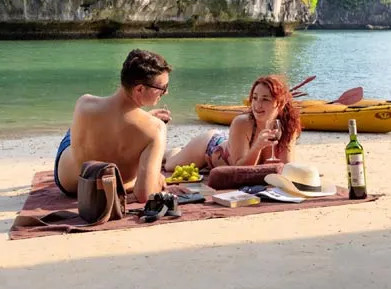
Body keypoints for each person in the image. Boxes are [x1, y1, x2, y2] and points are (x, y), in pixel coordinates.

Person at [53, 49, 174, 203]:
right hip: (111, 185)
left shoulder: (84, 103)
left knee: (81, 129)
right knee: (141, 136)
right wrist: (156, 179)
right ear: (140, 89)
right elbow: (145, 195)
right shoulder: (156, 129)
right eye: (163, 88)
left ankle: (135, 119)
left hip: (69, 183)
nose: (166, 92)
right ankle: (138, 120)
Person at [165, 75, 301, 170]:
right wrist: (258, 146)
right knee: (169, 165)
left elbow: (286, 166)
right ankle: (171, 152)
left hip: (232, 142)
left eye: (265, 99)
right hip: (210, 145)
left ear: (280, 104)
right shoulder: (242, 123)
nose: (257, 105)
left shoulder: (288, 128)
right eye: (255, 98)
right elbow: (239, 169)